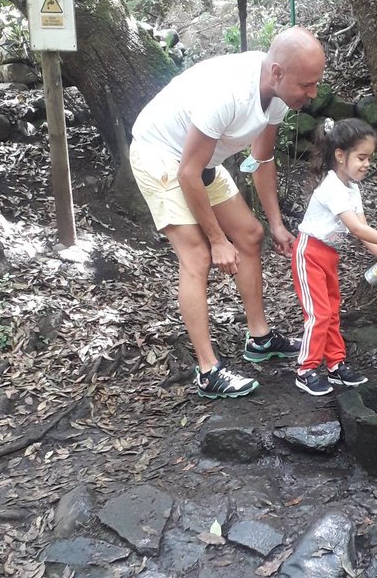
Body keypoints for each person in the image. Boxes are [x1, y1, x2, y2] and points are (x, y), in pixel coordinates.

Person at [130, 27, 326, 399]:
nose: (313, 94)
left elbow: (263, 158)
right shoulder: (229, 93)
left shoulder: (280, 96)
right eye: (307, 85)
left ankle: (260, 338)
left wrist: (277, 224)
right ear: (278, 73)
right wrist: (217, 239)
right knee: (197, 256)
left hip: (202, 160)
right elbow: (187, 173)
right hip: (161, 155)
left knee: (251, 236)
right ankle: (208, 371)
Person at [291, 117, 377, 396]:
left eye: (369, 158)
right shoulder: (332, 186)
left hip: (328, 256)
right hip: (309, 252)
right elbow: (355, 227)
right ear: (340, 155)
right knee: (318, 314)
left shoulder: (352, 188)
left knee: (333, 312)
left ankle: (335, 364)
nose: (367, 164)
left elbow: (363, 231)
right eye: (361, 157)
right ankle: (306, 369)